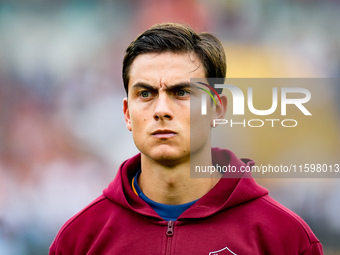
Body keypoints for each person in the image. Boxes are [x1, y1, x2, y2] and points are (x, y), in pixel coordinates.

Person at [49, 23, 323, 255]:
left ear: (217, 108)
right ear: (127, 113)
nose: (161, 110)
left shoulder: (286, 238)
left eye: (181, 93)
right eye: (145, 94)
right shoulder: (79, 239)